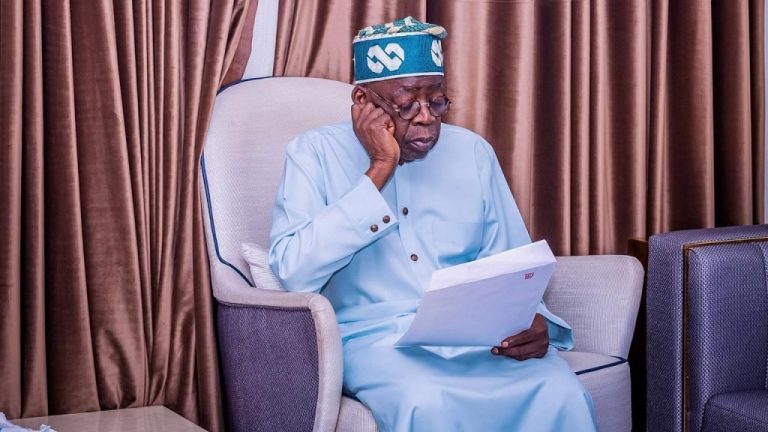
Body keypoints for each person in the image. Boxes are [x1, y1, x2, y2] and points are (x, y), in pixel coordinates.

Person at [269, 16, 597, 432]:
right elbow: (293, 272)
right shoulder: (313, 153)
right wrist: (379, 168)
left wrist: (534, 319)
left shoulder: (473, 152)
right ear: (363, 101)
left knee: (561, 391)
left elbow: (512, 264)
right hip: (375, 341)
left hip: (474, 339)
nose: (426, 118)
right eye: (407, 104)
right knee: (425, 403)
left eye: (437, 101)